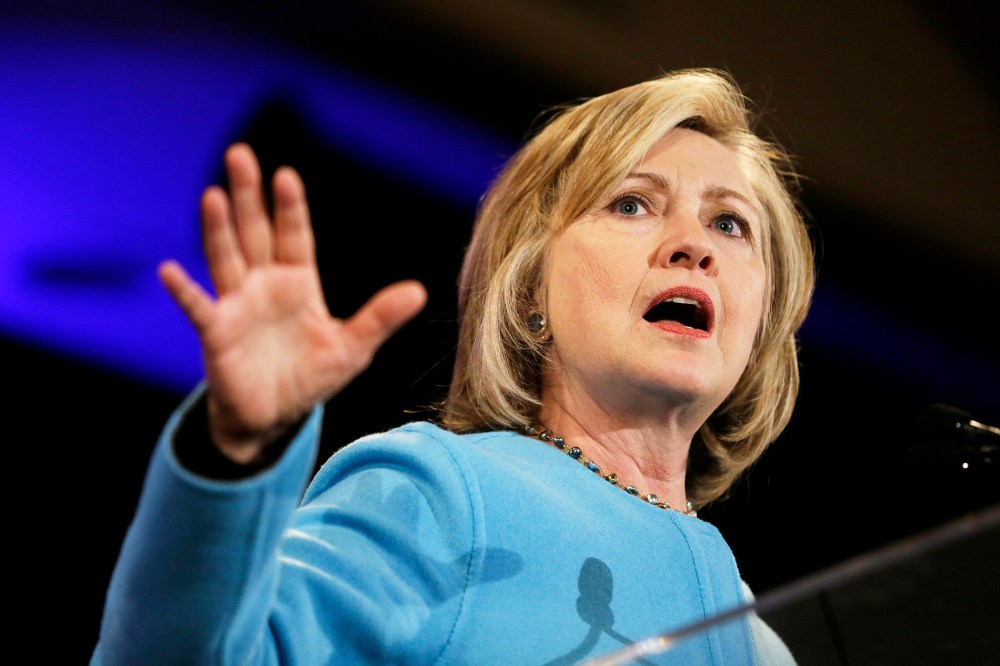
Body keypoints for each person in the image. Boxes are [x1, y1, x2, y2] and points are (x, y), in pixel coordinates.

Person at [91, 67, 813, 665]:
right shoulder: (438, 494)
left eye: (730, 223)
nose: (694, 246)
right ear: (529, 290)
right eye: (631, 204)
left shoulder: (761, 644)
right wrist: (235, 445)